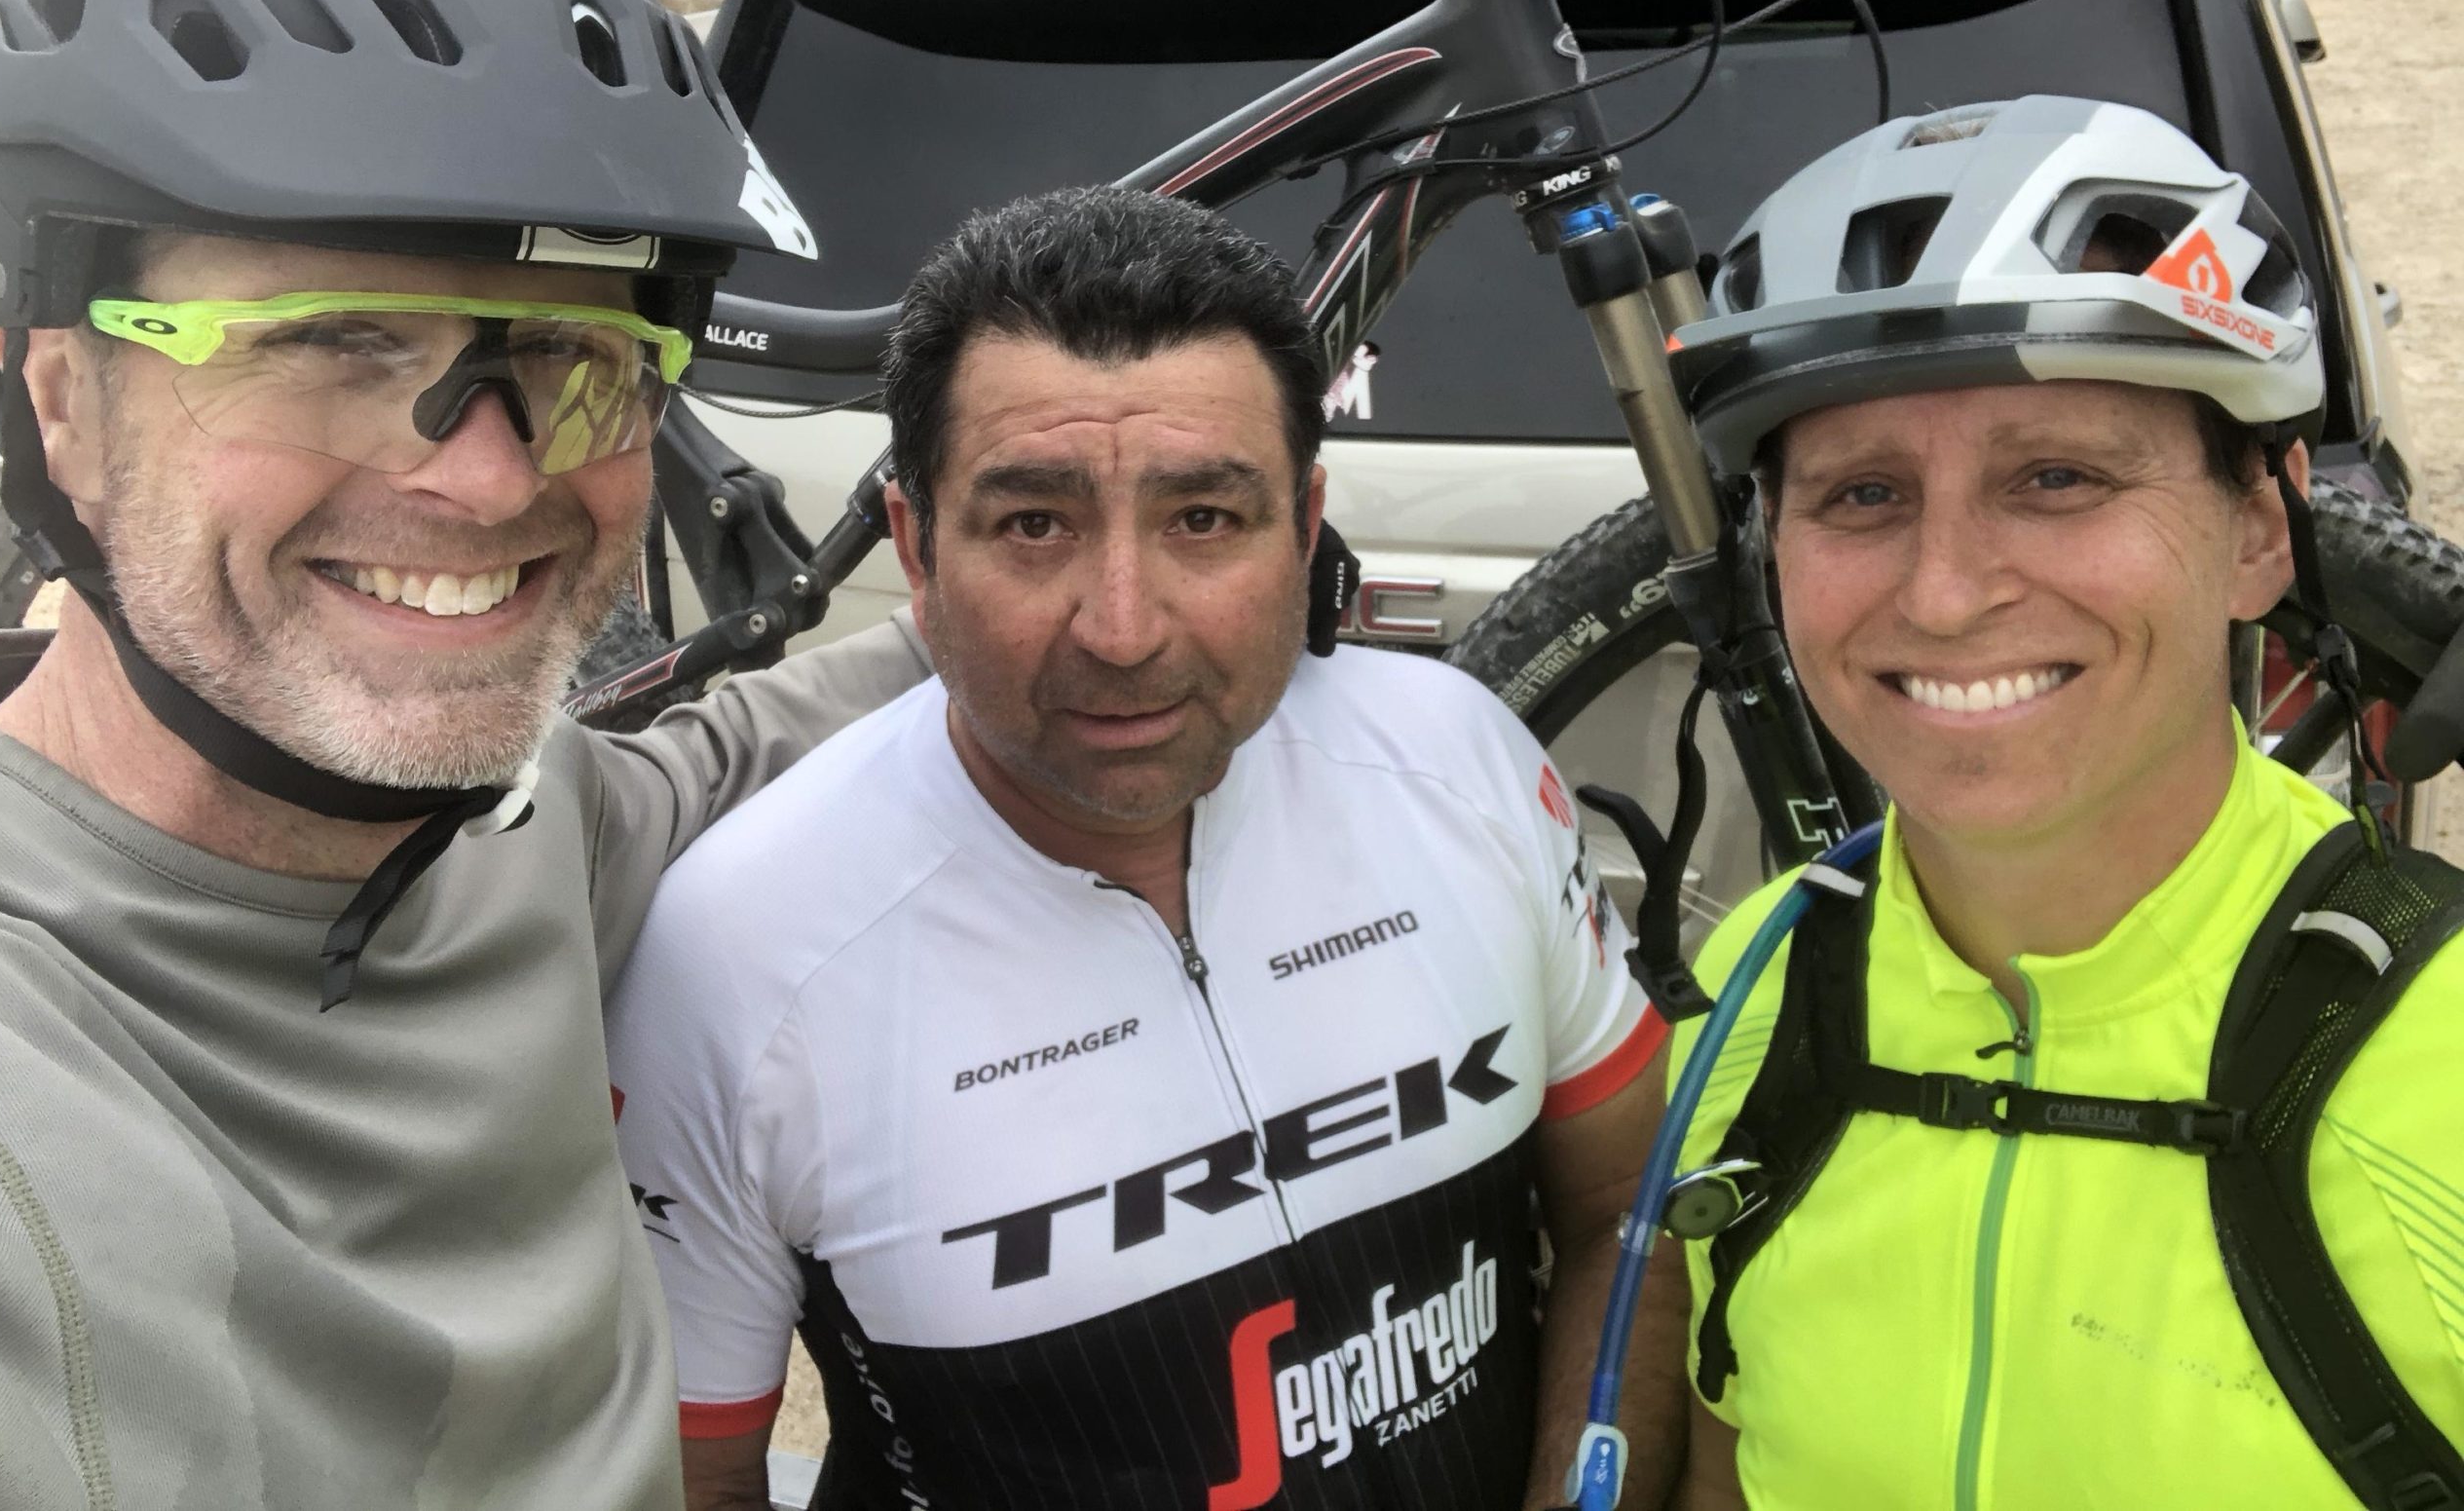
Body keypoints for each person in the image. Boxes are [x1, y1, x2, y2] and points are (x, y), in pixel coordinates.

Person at [0, 0, 929, 1510]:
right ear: (62, 405)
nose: (490, 483)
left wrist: (1044, 602)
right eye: (333, 342)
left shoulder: (520, 828)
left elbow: (729, 752)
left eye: (576, 363)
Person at [606, 185, 1690, 1511]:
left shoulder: (1452, 759)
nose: (1123, 629)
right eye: (1033, 523)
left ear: (1306, 526)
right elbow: (686, 1478)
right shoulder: (736, 950)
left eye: (1203, 520)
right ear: (915, 545)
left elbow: (1629, 1208)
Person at [1650, 95, 2464, 1507]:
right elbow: (1740, 1457)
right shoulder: (1756, 985)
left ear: (2260, 529)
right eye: (1860, 497)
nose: (1948, 591)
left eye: (2057, 476)